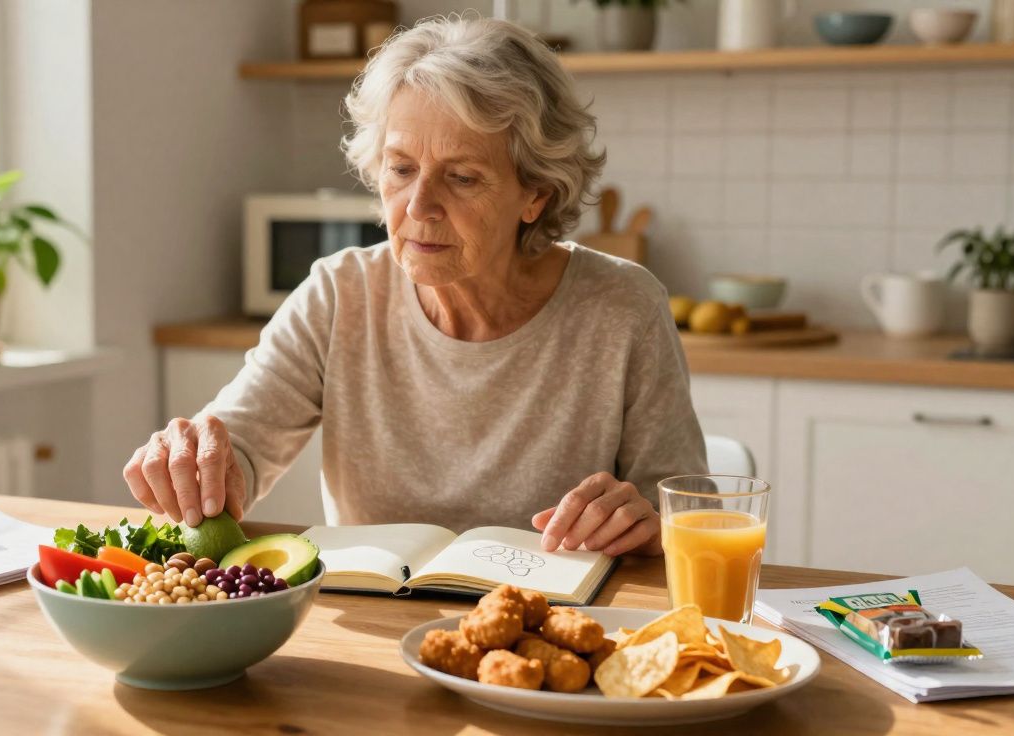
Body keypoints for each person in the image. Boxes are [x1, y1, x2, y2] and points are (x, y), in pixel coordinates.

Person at [124, 15, 707, 557]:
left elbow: (688, 514)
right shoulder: (340, 293)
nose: (419, 205)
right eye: (400, 169)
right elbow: (241, 448)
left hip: (551, 633)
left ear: (537, 194)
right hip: (375, 620)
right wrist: (198, 464)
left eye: (462, 177)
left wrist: (646, 519)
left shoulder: (624, 308)